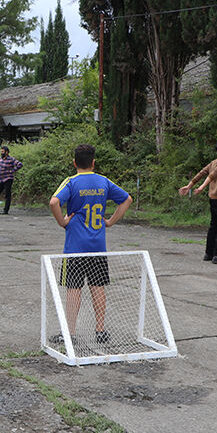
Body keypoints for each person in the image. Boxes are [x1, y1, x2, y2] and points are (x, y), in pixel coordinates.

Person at [48, 143, 132, 346]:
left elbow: (53, 202)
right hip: (97, 245)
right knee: (98, 286)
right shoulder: (103, 181)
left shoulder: (71, 182)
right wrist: (110, 221)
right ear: (93, 162)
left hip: (75, 248)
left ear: (75, 162)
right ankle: (100, 330)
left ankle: (70, 333)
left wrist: (63, 222)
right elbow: (127, 199)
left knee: (73, 288)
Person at [179, 139, 217, 265]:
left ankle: (209, 253)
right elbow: (214, 174)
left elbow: (202, 173)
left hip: (213, 198)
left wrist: (189, 185)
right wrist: (201, 187)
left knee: (214, 225)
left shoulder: (214, 161)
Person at [0, 146, 22, 215]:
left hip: (8, 179)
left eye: (2, 151)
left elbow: (20, 164)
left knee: (7, 195)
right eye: (1, 151)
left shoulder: (11, 159)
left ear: (7, 152)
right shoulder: (0, 160)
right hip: (0, 179)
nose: (1, 153)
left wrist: (12, 170)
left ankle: (6, 210)